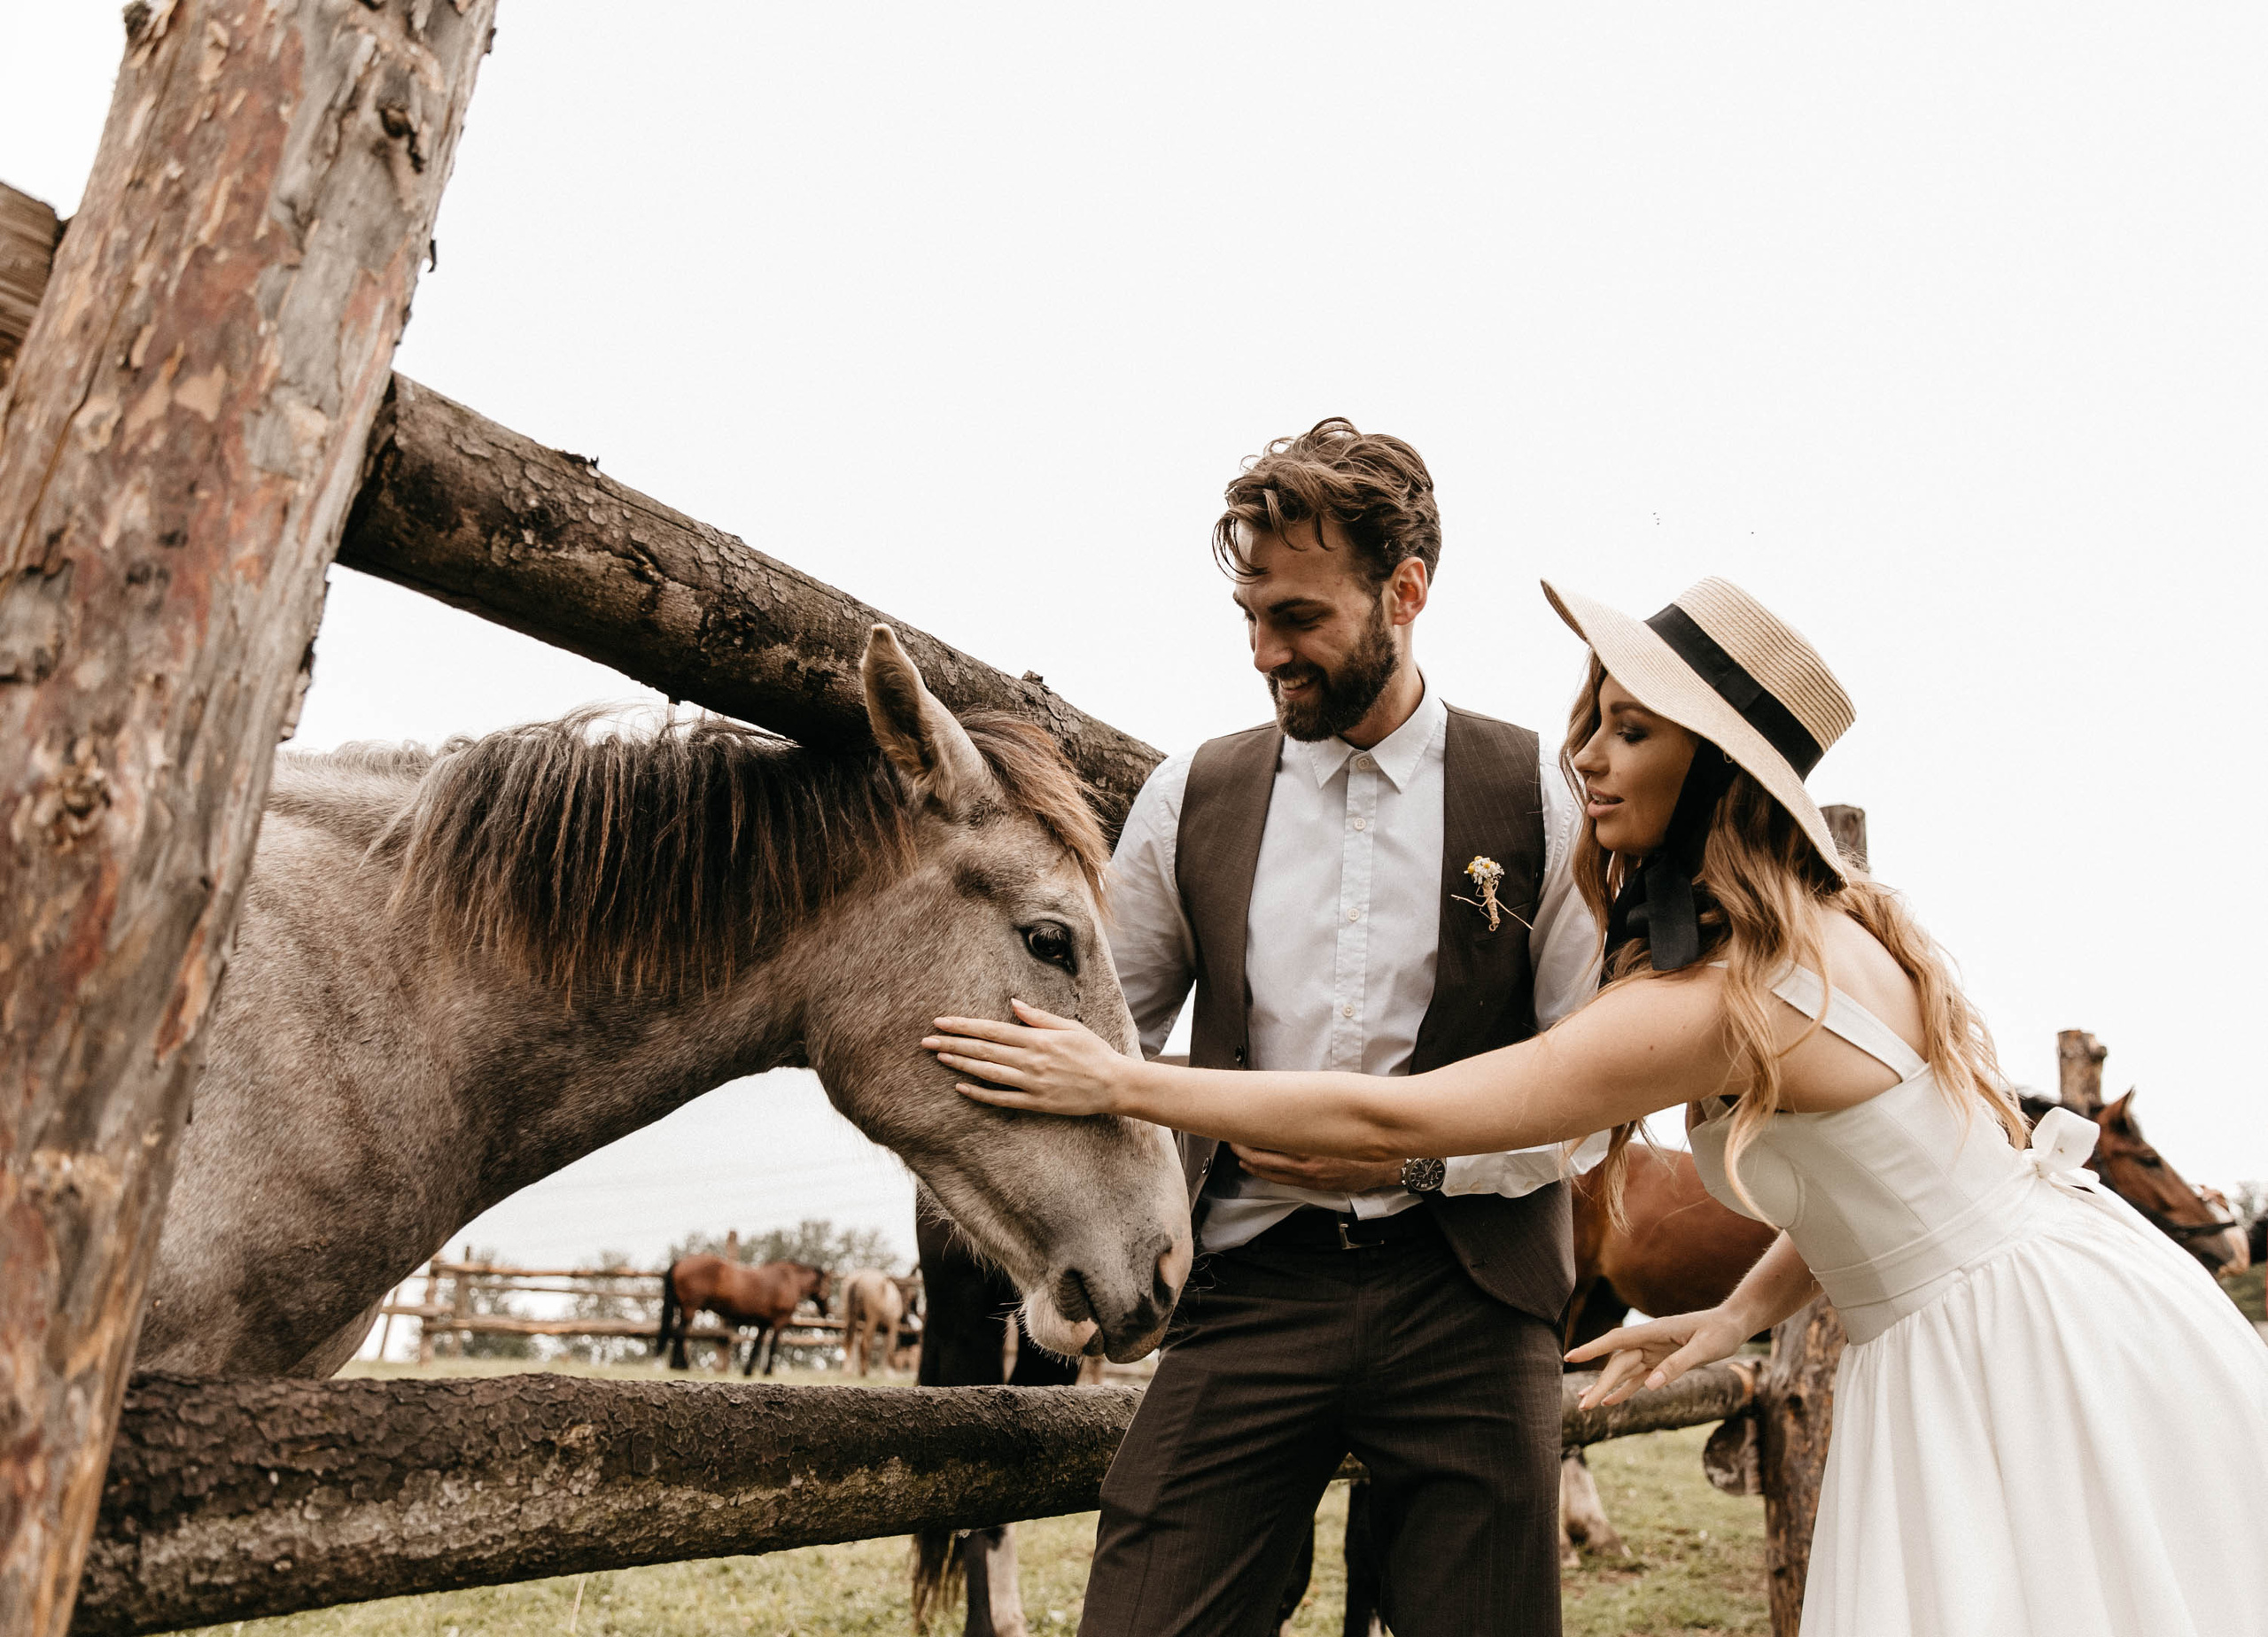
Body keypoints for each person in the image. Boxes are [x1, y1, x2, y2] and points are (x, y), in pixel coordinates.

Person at [928, 576, 2268, 1637]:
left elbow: (1413, 1117)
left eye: (1634, 732)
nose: (1588, 757)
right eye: (1595, 716)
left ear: (1721, 777)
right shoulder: (1849, 926)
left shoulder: (1715, 999)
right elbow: (1920, 1175)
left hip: (2005, 1351)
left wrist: (1120, 1080)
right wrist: (1746, 1307)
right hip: (2051, 1301)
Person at [1067, 419, 1607, 1636]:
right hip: (1247, 1290)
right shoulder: (1188, 795)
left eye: (1299, 618)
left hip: (1470, 1297)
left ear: (1404, 593)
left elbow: (1599, 1094)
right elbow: (1100, 1037)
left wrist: (1421, 1159)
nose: (1267, 653)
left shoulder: (1539, 796)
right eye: (1252, 618)